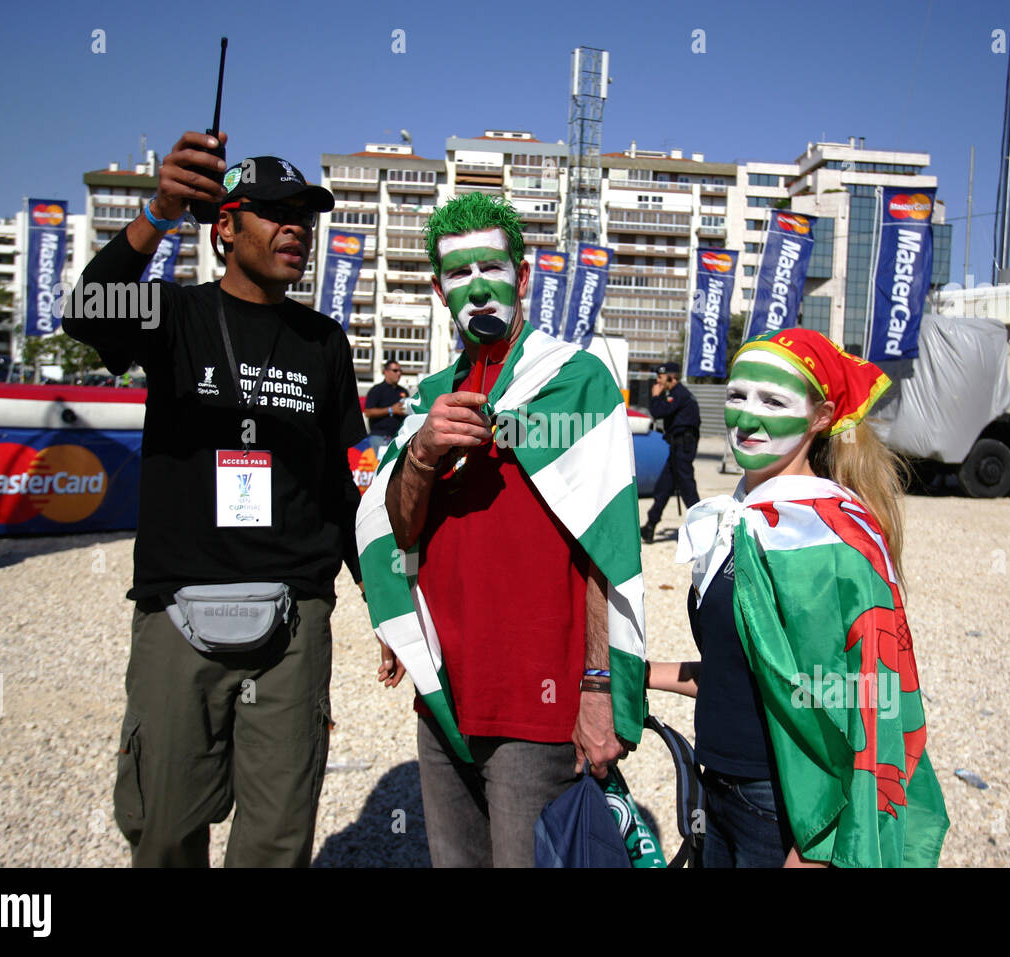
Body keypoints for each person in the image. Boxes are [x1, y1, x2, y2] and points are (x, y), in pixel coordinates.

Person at [63, 131, 365, 867]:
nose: (297, 227)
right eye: (273, 212)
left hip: (295, 618)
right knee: (164, 828)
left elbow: (343, 482)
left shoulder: (324, 341)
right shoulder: (175, 315)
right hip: (179, 606)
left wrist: (388, 605)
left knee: (276, 838)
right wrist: (160, 209)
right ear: (224, 227)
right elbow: (85, 314)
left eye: (306, 215)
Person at [356, 191, 647, 868]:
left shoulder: (576, 384)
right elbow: (400, 532)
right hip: (445, 698)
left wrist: (598, 687)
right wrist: (423, 455)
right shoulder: (427, 398)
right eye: (458, 273)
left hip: (538, 704)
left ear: (524, 276)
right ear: (437, 289)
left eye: (492, 266)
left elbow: (605, 547)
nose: (477, 286)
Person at [646, 329, 949, 867]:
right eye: (738, 395)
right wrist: (636, 672)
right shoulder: (740, 519)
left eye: (773, 401)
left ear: (821, 417)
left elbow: (868, 708)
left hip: (784, 815)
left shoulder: (834, 540)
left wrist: (814, 852)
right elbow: (748, 675)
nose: (746, 415)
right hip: (714, 793)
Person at [640, 362, 701, 544]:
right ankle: (650, 526)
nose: (658, 381)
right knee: (664, 487)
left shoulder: (678, 395)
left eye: (661, 377)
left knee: (687, 488)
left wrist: (655, 396)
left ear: (671, 378)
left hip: (683, 446)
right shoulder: (674, 394)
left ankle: (704, 528)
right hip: (677, 446)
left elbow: (657, 412)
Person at [363, 358, 409, 450]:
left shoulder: (403, 391)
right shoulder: (377, 390)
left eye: (400, 371)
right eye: (395, 370)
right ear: (385, 372)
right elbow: (368, 412)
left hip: (399, 436)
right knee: (383, 463)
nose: (398, 373)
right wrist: (391, 410)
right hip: (381, 436)